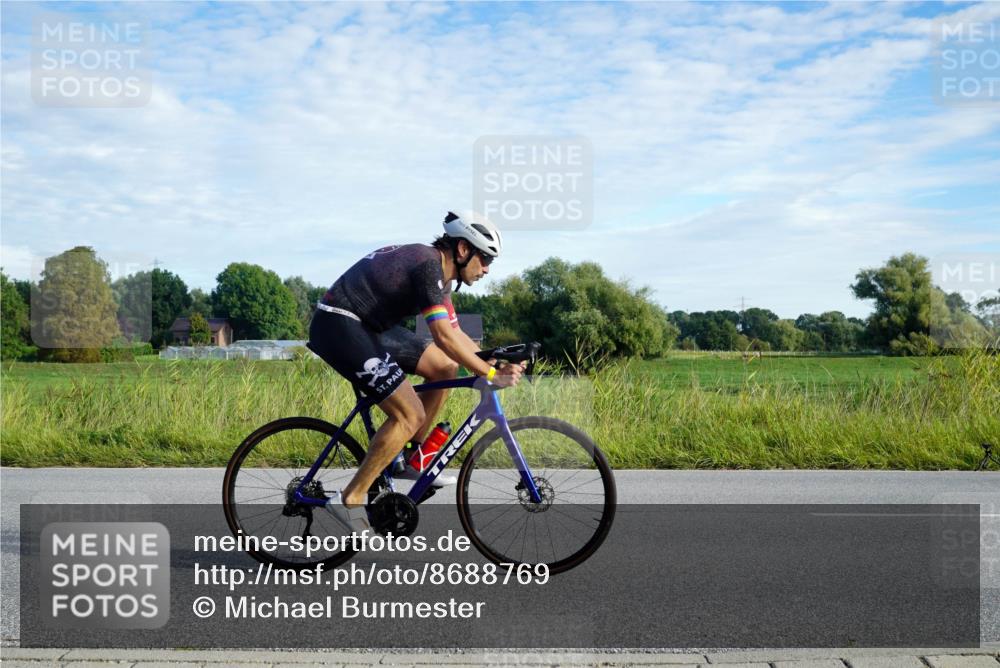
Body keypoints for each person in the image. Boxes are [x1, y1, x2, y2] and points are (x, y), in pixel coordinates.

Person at [307, 211, 525, 532]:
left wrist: (489, 362)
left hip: (368, 326)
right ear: (463, 250)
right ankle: (351, 497)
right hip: (338, 323)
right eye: (485, 258)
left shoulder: (440, 277)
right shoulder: (427, 266)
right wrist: (490, 376)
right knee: (409, 414)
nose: (487, 269)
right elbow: (444, 336)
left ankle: (412, 458)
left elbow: (456, 335)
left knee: (444, 368)